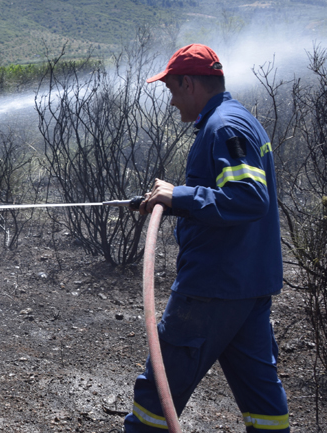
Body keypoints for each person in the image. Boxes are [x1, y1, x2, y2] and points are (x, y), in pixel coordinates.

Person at [124, 44, 289, 432]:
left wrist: (178, 196)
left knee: (156, 396)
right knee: (263, 401)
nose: (171, 101)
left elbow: (249, 198)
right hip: (245, 286)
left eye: (171, 90)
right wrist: (177, 195)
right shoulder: (237, 120)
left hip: (213, 288)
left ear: (189, 83)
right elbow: (230, 194)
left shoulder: (224, 128)